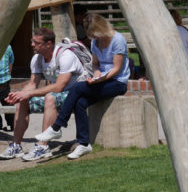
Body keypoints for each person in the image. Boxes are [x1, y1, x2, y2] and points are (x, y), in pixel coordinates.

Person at [37, 14, 131, 160]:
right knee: (80, 103)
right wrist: (97, 73)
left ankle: (57, 126)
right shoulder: (95, 42)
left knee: (77, 88)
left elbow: (117, 69)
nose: (94, 38)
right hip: (102, 80)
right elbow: (95, 64)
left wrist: (100, 79)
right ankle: (84, 143)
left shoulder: (117, 40)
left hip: (117, 82)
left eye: (95, 34)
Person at [0, 27, 87, 161]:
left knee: (50, 98)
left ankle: (43, 147)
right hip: (57, 95)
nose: (32, 45)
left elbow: (59, 86)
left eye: (36, 42)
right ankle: (16, 145)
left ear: (48, 44)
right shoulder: (37, 59)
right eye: (32, 41)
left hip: (76, 94)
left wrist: (29, 93)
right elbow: (32, 84)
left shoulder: (65, 56)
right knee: (24, 101)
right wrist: (20, 94)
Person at [0, 45, 15, 133]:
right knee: (7, 103)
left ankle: (10, 124)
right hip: (5, 80)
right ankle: (11, 125)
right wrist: (9, 73)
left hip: (4, 81)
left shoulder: (7, 46)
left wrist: (9, 73)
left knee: (7, 103)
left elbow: (11, 60)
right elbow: (11, 60)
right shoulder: (8, 46)